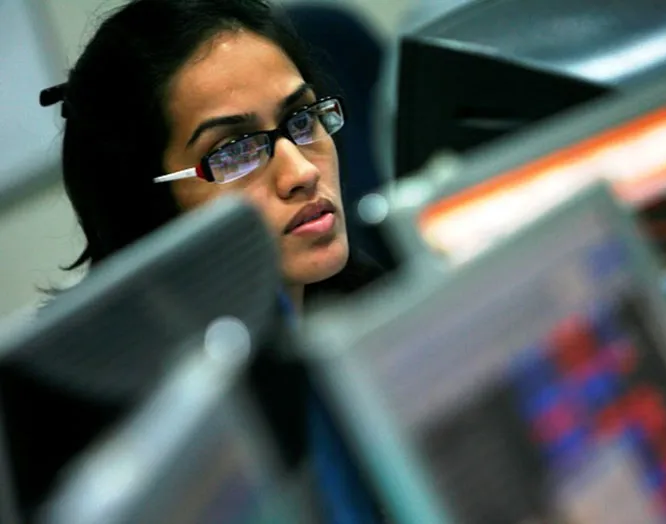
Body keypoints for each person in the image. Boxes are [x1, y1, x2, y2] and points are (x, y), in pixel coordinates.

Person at [5, 0, 386, 521]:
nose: (300, 171)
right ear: (145, 206)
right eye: (233, 152)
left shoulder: (376, 308)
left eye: (302, 119)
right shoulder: (136, 455)